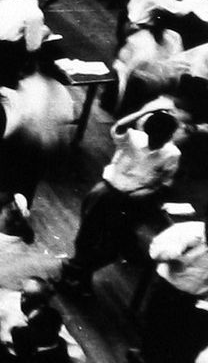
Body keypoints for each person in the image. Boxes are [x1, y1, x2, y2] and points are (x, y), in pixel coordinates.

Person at [62, 107, 180, 294]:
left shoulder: (172, 154)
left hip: (133, 202)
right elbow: (120, 126)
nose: (160, 142)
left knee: (113, 247)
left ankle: (77, 269)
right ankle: (79, 274)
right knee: (87, 235)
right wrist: (146, 110)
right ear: (148, 131)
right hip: (107, 192)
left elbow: (166, 182)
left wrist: (149, 192)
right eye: (156, 137)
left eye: (165, 138)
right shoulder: (132, 138)